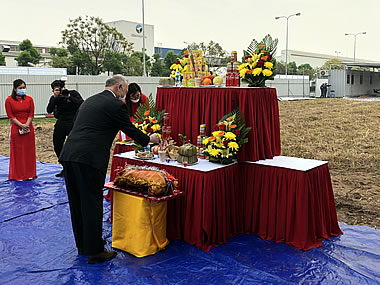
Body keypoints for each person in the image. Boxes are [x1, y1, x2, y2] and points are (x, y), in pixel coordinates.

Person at [59, 75, 160, 264]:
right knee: (92, 202)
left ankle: (83, 245)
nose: (126, 95)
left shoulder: (90, 100)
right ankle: (95, 251)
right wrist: (149, 140)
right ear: (119, 87)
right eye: (126, 90)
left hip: (69, 154)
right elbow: (129, 129)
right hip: (89, 158)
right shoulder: (116, 105)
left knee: (77, 201)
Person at [46, 78, 83, 177]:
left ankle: (76, 167)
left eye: (61, 89)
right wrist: (55, 98)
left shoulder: (73, 93)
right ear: (53, 90)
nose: (60, 91)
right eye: (57, 90)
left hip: (73, 123)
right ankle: (65, 167)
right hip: (61, 123)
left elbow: (81, 103)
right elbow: (49, 110)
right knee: (57, 145)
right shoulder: (55, 98)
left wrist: (70, 97)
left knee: (74, 146)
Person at [5, 79, 36, 181]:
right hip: (16, 128)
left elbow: (31, 114)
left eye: (24, 87)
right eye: (20, 88)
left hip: (28, 128)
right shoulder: (9, 100)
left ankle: (30, 173)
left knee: (29, 151)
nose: (23, 89)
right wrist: (21, 125)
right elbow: (11, 116)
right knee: (18, 152)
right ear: (15, 89)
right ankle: (18, 175)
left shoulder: (30, 99)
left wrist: (27, 124)